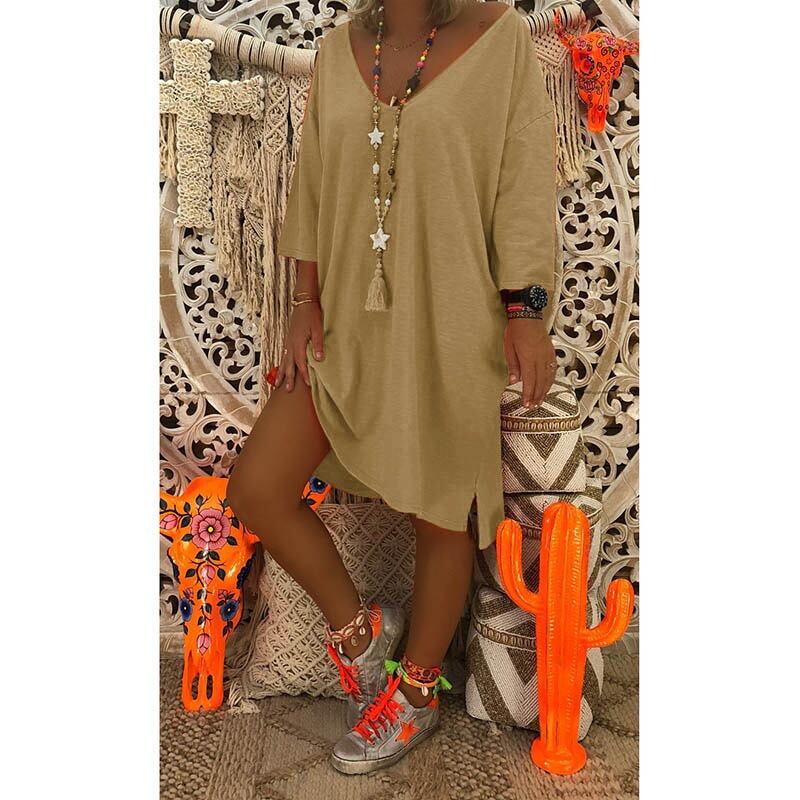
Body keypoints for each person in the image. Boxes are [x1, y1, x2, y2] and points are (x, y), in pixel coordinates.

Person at [228, 0, 558, 775]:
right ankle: (362, 634)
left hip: (450, 325)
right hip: (347, 326)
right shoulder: (342, 48)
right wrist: (304, 304)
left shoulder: (501, 40)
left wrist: (525, 312)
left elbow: (523, 185)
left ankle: (415, 694)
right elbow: (312, 186)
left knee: (440, 512)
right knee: (258, 488)